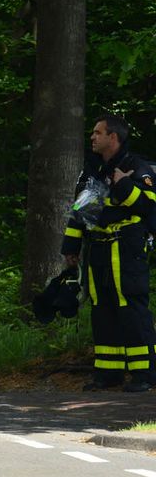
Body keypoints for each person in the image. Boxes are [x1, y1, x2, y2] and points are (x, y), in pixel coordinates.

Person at [61, 114, 156, 393]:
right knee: (102, 309)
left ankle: (145, 374)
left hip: (126, 246)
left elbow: (148, 206)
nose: (92, 137)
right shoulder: (91, 170)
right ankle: (108, 373)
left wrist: (124, 184)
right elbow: (81, 211)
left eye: (97, 133)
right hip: (98, 248)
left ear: (113, 137)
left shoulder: (136, 167)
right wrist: (71, 246)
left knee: (132, 307)